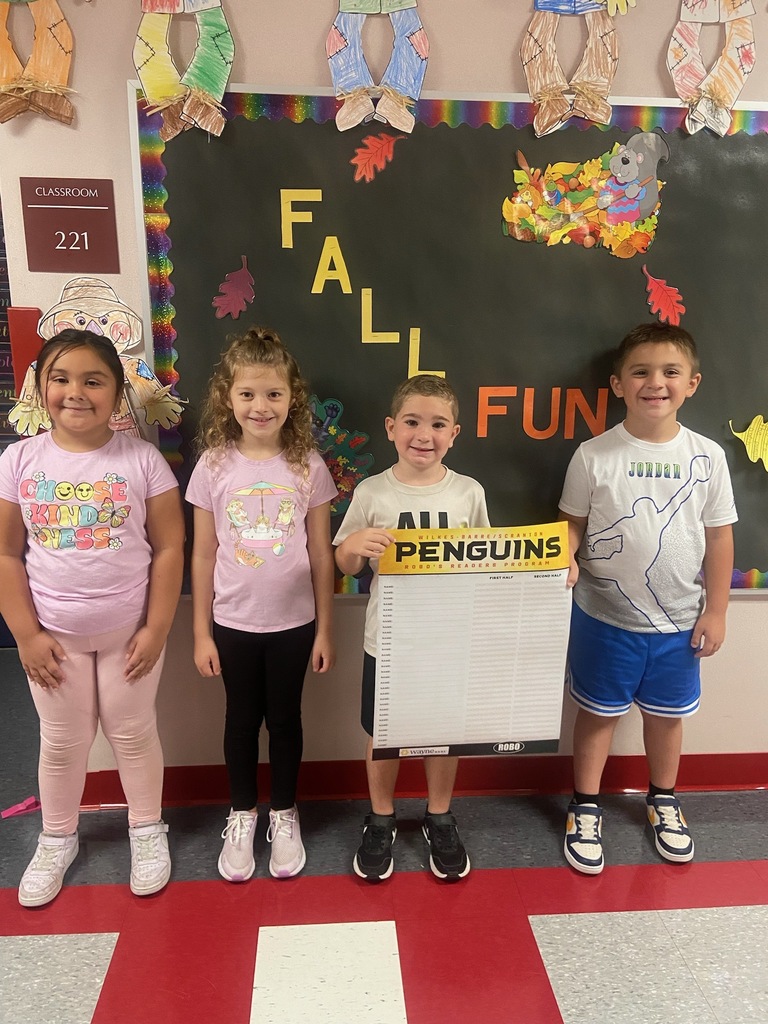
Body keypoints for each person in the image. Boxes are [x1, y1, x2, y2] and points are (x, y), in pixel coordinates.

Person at [0, 329, 184, 907]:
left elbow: (170, 547)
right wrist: (25, 636)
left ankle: (147, 828)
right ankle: (57, 837)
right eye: (60, 378)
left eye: (92, 380)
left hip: (130, 635)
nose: (74, 392)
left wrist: (157, 628)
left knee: (133, 734)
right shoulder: (19, 459)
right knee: (61, 741)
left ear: (117, 392)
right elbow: (6, 552)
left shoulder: (142, 459)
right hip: (53, 640)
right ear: (39, 386)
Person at [558, 322, 736, 875]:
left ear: (692, 384)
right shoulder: (593, 455)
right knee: (596, 715)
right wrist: (565, 555)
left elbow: (720, 535)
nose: (654, 382)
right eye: (640, 371)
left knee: (666, 718)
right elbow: (573, 525)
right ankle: (584, 807)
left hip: (679, 623)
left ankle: (663, 799)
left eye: (669, 372)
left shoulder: (707, 457)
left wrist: (718, 609)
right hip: (602, 618)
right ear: (616, 383)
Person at [187, 327, 336, 881]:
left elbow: (322, 554)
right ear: (228, 397)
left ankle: (285, 813)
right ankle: (242, 814)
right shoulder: (213, 467)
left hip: (295, 623)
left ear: (292, 397)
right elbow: (202, 555)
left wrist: (324, 630)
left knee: (287, 720)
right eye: (248, 393)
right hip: (232, 623)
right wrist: (201, 632)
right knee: (240, 720)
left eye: (273, 393)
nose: (260, 405)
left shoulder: (308, 467)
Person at [333, 374, 489, 882]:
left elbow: (490, 560)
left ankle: (438, 814)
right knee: (383, 734)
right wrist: (357, 544)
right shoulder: (372, 490)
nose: (425, 434)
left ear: (455, 433)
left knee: (442, 734)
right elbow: (343, 562)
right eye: (413, 422)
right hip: (390, 641)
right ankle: (381, 817)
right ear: (390, 428)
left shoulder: (468, 492)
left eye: (438, 424)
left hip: (449, 642)